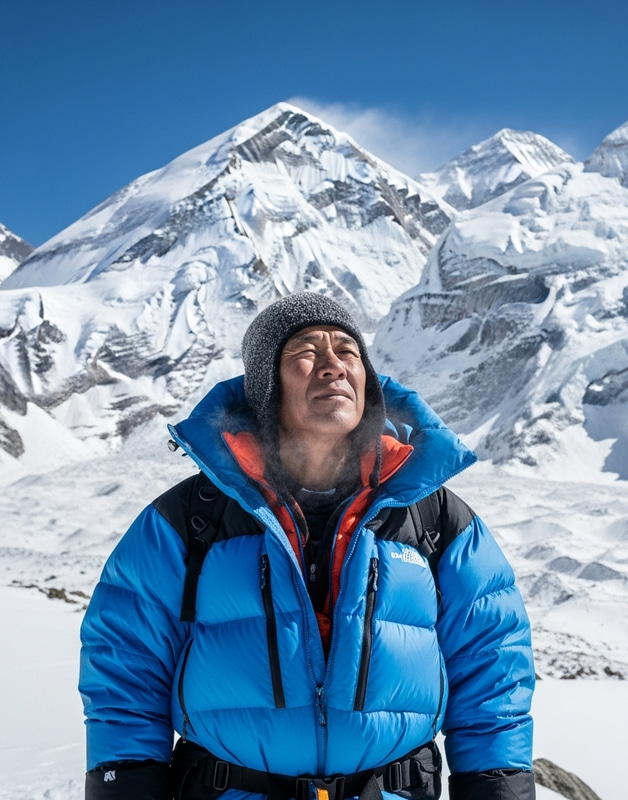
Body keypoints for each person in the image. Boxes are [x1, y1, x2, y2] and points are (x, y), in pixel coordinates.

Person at [79, 292, 536, 800]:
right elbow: (125, 667)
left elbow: (492, 669)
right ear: (264, 387)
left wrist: (499, 789)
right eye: (305, 350)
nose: (333, 365)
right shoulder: (189, 519)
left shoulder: (436, 518)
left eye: (348, 351)